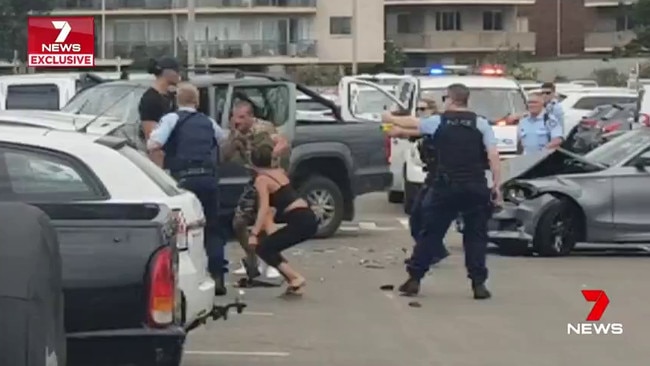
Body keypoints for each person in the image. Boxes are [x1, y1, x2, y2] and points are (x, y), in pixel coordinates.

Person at [382, 83, 502, 300]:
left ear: (450, 99)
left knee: (431, 233)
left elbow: (413, 122)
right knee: (476, 236)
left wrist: (389, 117)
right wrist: (496, 186)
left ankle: (414, 279)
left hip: (446, 187)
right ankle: (478, 284)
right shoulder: (481, 123)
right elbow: (494, 157)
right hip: (475, 186)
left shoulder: (439, 121)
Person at [146, 82, 228, 295]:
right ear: (197, 102)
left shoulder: (172, 119)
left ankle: (188, 278)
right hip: (209, 179)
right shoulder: (208, 122)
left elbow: (153, 144)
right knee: (213, 228)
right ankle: (218, 275)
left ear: (176, 101)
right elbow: (223, 140)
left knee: (184, 229)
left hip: (184, 181)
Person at [222, 100, 290, 280]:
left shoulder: (263, 129)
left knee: (266, 221)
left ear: (251, 117)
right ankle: (252, 260)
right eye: (236, 118)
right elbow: (225, 157)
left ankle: (276, 262)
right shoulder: (236, 133)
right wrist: (234, 138)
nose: (238, 121)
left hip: (270, 179)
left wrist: (275, 154)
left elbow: (283, 143)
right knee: (239, 222)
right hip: (254, 180)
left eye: (242, 118)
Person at [248, 144, 318, 295]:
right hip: (306, 216)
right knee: (270, 245)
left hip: (300, 220)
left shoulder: (262, 180)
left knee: (263, 248)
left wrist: (253, 233)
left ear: (252, 163)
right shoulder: (279, 173)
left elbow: (264, 207)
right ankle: (293, 282)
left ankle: (295, 278)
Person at [404, 98, 450, 266]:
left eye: (423, 109)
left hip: (441, 177)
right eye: (418, 109)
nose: (420, 112)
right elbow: (409, 133)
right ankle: (433, 251)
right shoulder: (426, 126)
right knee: (418, 216)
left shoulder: (436, 123)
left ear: (432, 109)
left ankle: (431, 252)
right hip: (432, 175)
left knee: (423, 216)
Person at [138, 56, 181, 165]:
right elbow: (152, 137)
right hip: (162, 160)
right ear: (167, 72)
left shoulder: (171, 97)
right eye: (176, 71)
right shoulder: (150, 99)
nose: (179, 75)